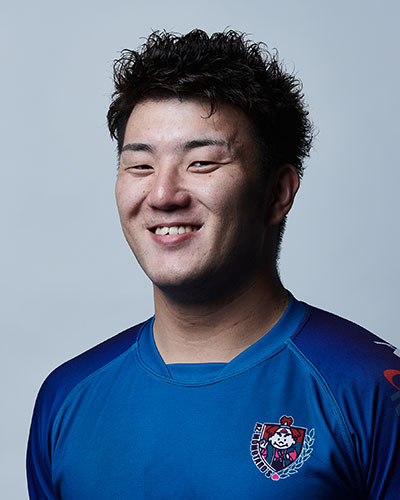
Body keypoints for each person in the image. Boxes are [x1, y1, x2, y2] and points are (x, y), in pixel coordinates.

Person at [27, 29, 400, 499]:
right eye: (140, 166)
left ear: (277, 193)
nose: (163, 194)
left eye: (201, 163)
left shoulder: (369, 390)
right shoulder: (66, 398)